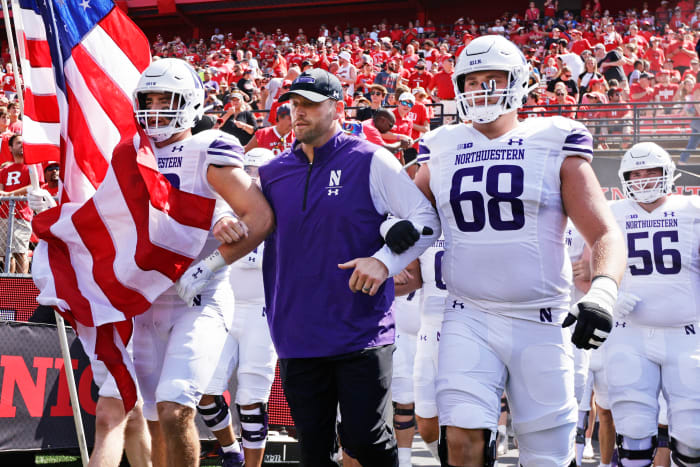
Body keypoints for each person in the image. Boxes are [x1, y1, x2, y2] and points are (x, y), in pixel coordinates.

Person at [414, 35, 626, 466]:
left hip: (541, 317)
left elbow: (604, 233)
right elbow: (408, 225)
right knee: (461, 439)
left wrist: (602, 294)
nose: (483, 90)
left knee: (546, 454)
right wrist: (382, 262)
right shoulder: (440, 146)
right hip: (467, 314)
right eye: (473, 81)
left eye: (494, 79)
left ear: (519, 82)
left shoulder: (554, 139)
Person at [256, 68, 440, 466]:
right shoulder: (271, 173)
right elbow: (241, 214)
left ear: (337, 107)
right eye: (294, 104)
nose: (298, 112)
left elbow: (426, 219)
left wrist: (384, 262)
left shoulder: (370, 159)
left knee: (367, 440)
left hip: (361, 330)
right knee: (312, 450)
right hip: (296, 334)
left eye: (310, 104)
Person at [129, 58, 274, 467]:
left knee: (177, 410)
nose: (156, 109)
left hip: (200, 296)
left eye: (167, 99)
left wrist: (210, 263)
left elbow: (258, 216)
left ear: (190, 102)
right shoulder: (130, 152)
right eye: (149, 99)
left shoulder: (206, 146)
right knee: (153, 417)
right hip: (146, 300)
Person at [606, 142, 700, 467]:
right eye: (636, 173)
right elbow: (582, 267)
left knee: (693, 435)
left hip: (687, 333)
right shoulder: (610, 214)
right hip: (629, 334)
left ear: (668, 173)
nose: (643, 179)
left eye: (651, 172)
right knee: (632, 431)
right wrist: (608, 294)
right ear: (624, 177)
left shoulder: (693, 210)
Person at [197, 148, 278, 467]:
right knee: (205, 390)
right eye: (249, 172)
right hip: (227, 309)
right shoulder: (222, 213)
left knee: (251, 399)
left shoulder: (281, 216)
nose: (254, 179)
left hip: (262, 312)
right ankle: (231, 450)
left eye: (260, 173)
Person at [0, 135, 31, 273]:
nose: (21, 145)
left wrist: (9, 195)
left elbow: (33, 187)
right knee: (6, 254)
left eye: (23, 142)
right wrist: (5, 195)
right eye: (18, 143)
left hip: (21, 215)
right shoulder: (4, 170)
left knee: (20, 252)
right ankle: (9, 284)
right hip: (4, 216)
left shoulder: (32, 168)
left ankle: (22, 284)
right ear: (10, 148)